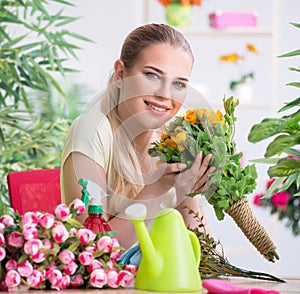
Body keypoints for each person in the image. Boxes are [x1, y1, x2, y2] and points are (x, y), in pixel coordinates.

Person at [61, 23, 215, 250]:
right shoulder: (91, 131)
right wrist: (158, 188)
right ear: (121, 74)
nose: (164, 94)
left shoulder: (177, 138)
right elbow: (93, 251)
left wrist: (186, 191)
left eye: (179, 83)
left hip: (166, 282)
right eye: (152, 75)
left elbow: (204, 253)